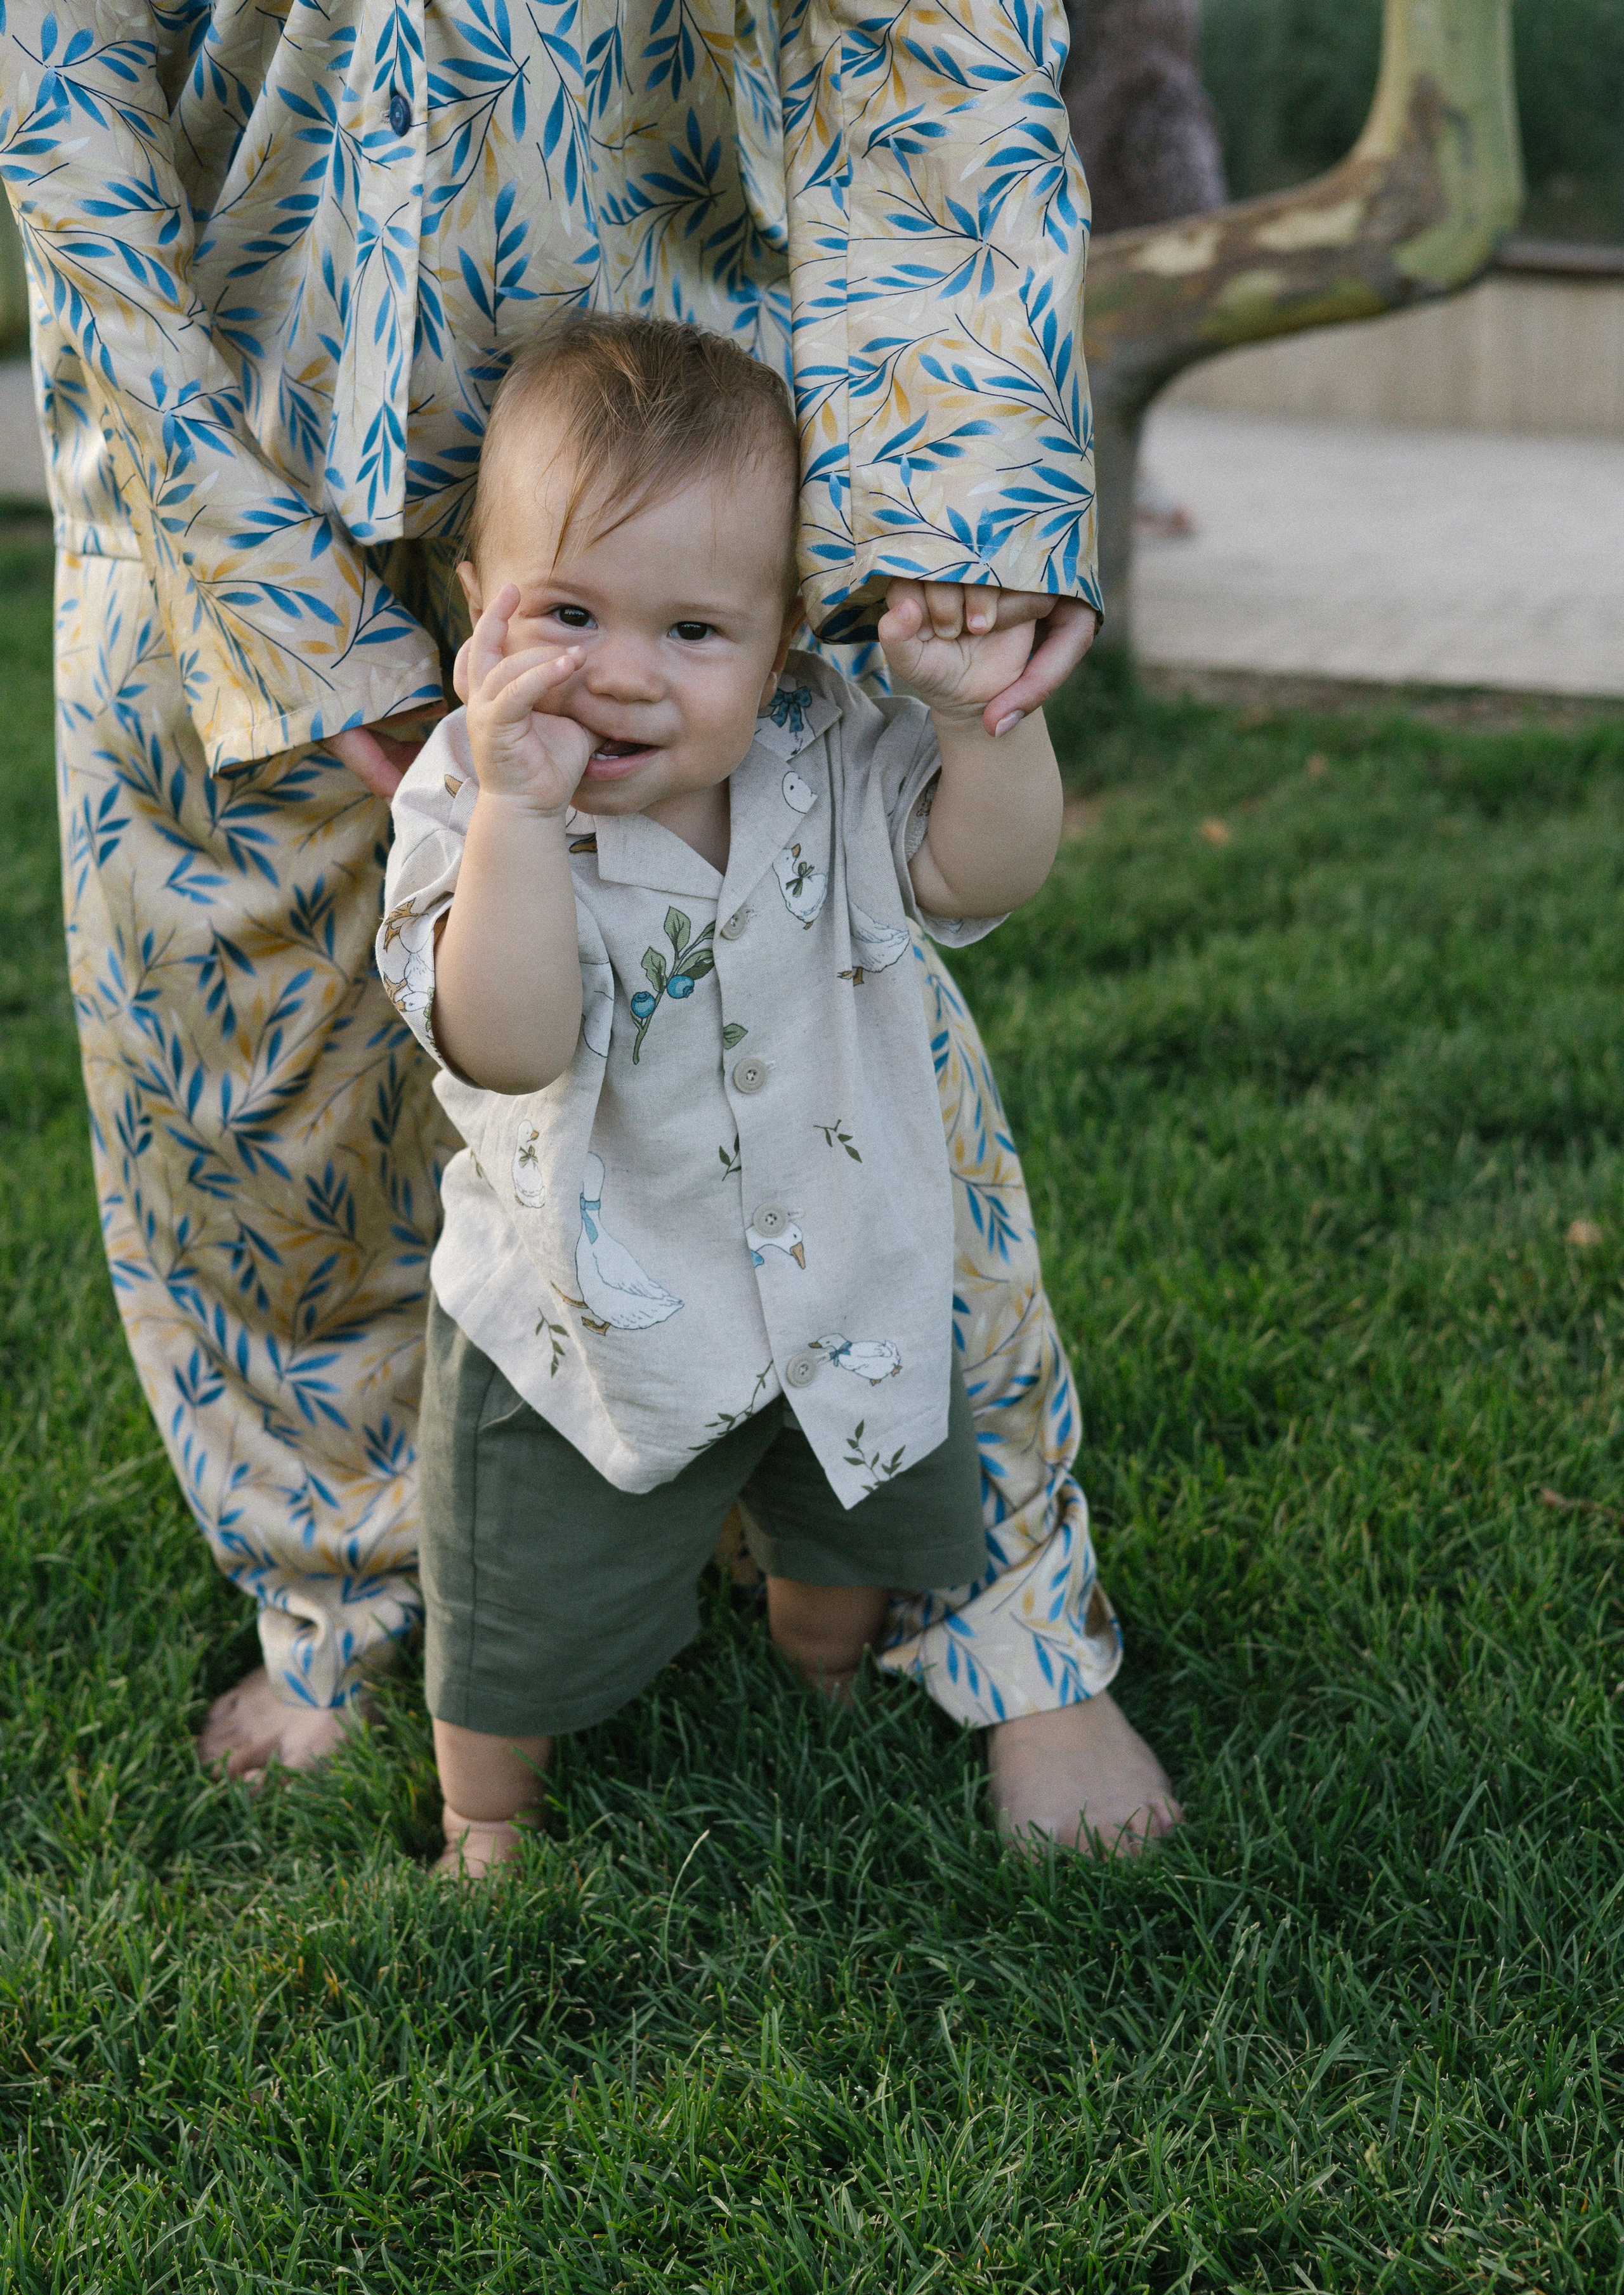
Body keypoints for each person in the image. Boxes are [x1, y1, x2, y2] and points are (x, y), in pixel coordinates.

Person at [2, 0, 1179, 1852]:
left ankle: (1004, 1614)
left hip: (678, 348)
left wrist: (982, 493)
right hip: (236, 364)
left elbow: (935, 23)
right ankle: (342, 1581)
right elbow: (58, 66)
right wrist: (246, 570)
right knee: (237, 1062)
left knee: (843, 1035)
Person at [378, 318, 1094, 1871]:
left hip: (841, 1272)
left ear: (779, 648)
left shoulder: (826, 747)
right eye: (569, 612)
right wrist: (517, 814)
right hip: (580, 1324)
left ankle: (818, 1668)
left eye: (694, 630)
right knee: (520, 1609)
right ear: (478, 608)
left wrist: (976, 716)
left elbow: (981, 873)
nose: (622, 673)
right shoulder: (468, 796)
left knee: (848, 1524)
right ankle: (487, 1818)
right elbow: (505, 1042)